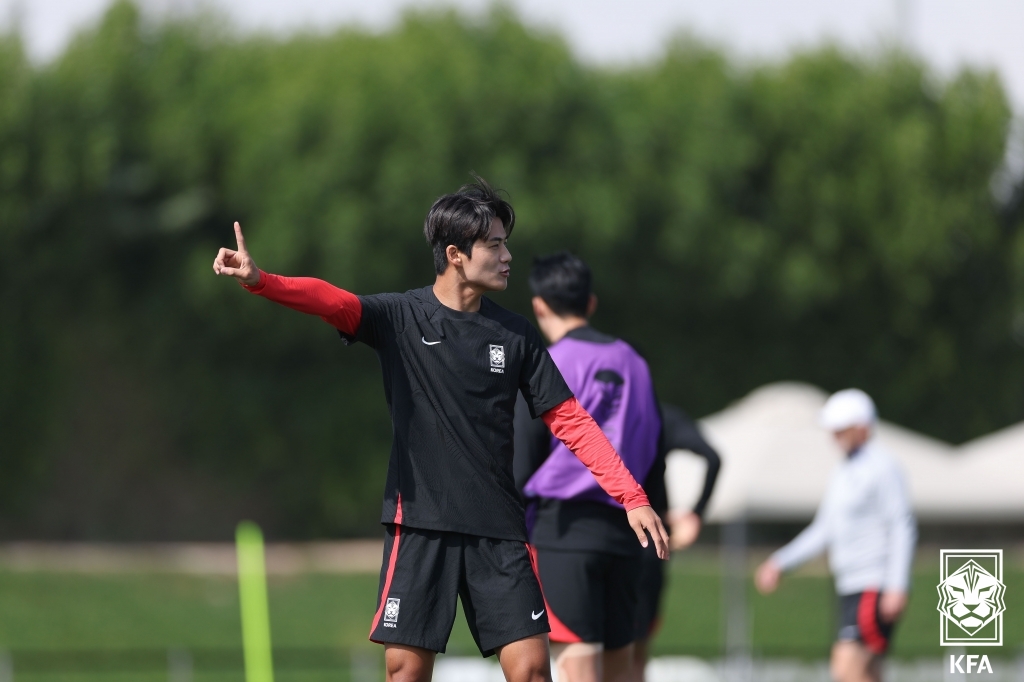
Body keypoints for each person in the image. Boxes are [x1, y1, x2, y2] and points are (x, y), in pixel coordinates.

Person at [212, 178, 669, 682]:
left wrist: (631, 496)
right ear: (455, 254)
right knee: (404, 671)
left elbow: (572, 421)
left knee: (532, 670)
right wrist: (261, 280)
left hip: (498, 530)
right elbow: (332, 300)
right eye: (494, 245)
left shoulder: (516, 334)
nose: (507, 256)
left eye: (505, 244)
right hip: (420, 525)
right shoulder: (400, 316)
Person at [512, 253, 719, 682]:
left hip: (563, 535)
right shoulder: (635, 363)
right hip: (628, 534)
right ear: (590, 303)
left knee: (578, 668)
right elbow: (655, 451)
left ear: (539, 306)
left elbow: (523, 460)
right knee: (621, 671)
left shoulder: (545, 362)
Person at [754, 389, 916, 682]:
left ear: (862, 427)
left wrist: (897, 584)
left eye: (841, 429)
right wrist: (780, 562)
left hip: (873, 585)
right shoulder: (843, 472)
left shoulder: (883, 466)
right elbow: (824, 529)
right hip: (849, 586)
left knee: (846, 668)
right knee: (865, 673)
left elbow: (901, 525)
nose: (834, 436)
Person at [631, 403, 720, 682]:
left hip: (597, 539)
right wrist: (696, 514)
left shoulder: (592, 413)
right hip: (647, 542)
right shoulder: (659, 415)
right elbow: (713, 458)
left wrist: (694, 515)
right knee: (635, 646)